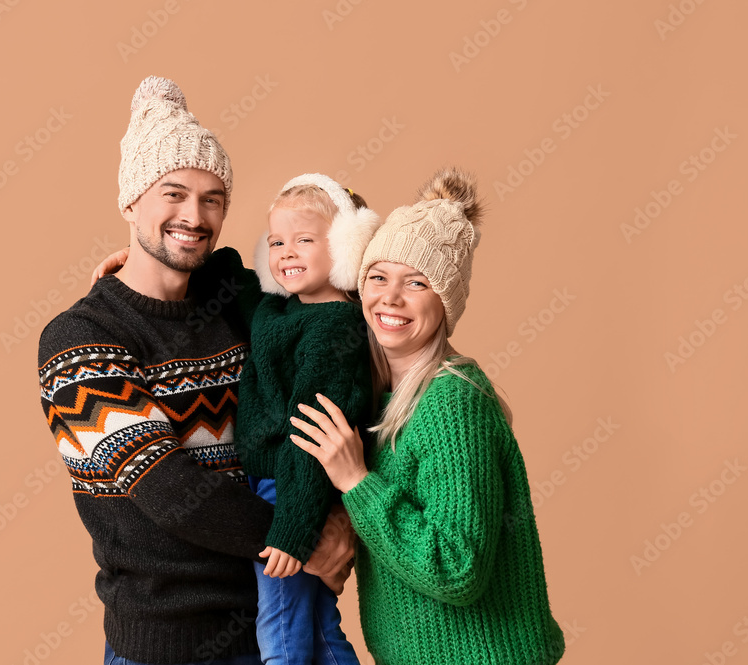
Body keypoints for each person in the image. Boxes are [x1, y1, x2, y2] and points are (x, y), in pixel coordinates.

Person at [37, 75, 353, 665]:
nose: (195, 215)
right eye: (174, 194)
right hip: (165, 643)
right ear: (131, 201)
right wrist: (307, 534)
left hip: (274, 624)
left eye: (213, 199)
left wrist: (338, 514)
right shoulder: (81, 338)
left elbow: (336, 310)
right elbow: (170, 490)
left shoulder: (237, 308)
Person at [290, 169, 566, 664]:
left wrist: (356, 482)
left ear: (445, 302)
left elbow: (458, 568)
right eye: (378, 277)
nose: (390, 297)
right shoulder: (380, 396)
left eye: (416, 282)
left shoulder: (451, 402)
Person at [234, 174, 380, 664]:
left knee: (280, 631)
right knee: (317, 627)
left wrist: (294, 529)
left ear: (345, 247)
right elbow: (232, 278)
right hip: (277, 484)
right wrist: (135, 260)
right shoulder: (281, 309)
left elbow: (310, 431)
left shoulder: (335, 328)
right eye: (276, 242)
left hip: (292, 488)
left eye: (304, 240)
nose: (286, 253)